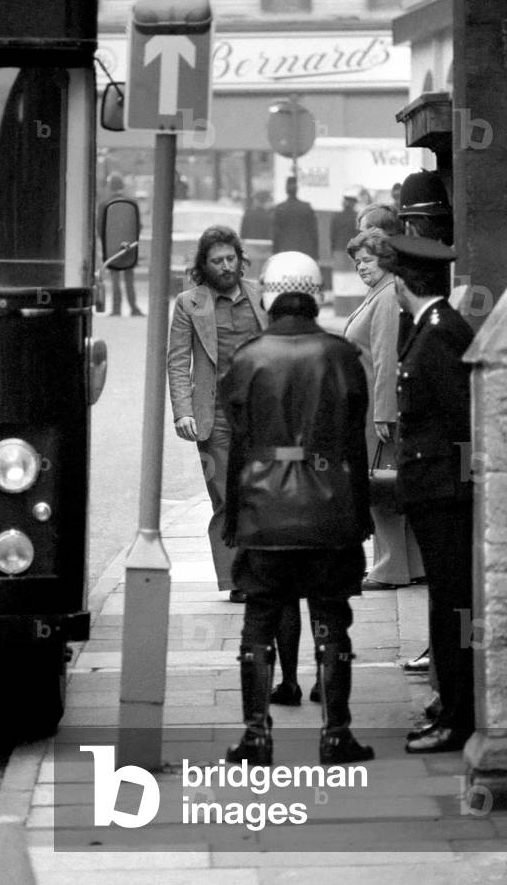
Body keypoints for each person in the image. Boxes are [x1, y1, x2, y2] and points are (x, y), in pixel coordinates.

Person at [220, 251, 374, 766]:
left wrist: (235, 516)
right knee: (332, 622)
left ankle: (256, 737)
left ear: (270, 293)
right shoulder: (341, 354)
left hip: (264, 512)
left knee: (258, 623)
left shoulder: (248, 356)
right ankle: (336, 735)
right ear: (314, 293)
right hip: (329, 510)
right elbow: (355, 445)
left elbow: (238, 446)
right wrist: (361, 513)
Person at [383, 235, 475, 754]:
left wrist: (458, 489)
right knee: (445, 605)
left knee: (451, 608)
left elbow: (462, 421)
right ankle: (451, 707)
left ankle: (457, 718)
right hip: (435, 493)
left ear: (401, 283)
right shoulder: (429, 328)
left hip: (445, 498)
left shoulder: (439, 333)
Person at [167, 227, 266, 600]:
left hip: (261, 414)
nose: (226, 267)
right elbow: (178, 361)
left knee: (261, 495)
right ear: (203, 265)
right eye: (217, 261)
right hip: (215, 418)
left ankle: (263, 571)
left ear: (240, 258)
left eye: (231, 259)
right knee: (226, 498)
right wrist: (182, 411)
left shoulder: (261, 295)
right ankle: (237, 581)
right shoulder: (189, 303)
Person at [345, 229, 425, 590]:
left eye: (367, 260)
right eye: (357, 262)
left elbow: (386, 358)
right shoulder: (379, 293)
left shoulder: (388, 296)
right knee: (389, 487)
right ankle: (411, 565)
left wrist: (384, 413)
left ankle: (390, 568)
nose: (361, 267)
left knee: (382, 489)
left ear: (384, 260)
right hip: (371, 408)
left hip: (376, 411)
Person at [98, 173, 143, 317]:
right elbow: (138, 225)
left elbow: (100, 226)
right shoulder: (132, 203)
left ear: (110, 187)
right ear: (122, 186)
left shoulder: (104, 204)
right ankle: (133, 308)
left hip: (111, 246)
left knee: (115, 278)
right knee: (129, 279)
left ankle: (116, 309)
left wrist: (106, 242)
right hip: (129, 245)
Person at [271, 176, 319, 260]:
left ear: (286, 190)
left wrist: (275, 253)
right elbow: (313, 233)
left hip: (284, 251)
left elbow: (275, 233)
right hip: (304, 252)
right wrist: (315, 254)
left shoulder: (280, 208)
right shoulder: (306, 208)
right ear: (297, 190)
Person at [330, 188, 359, 255]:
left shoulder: (336, 216)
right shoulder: (357, 217)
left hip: (338, 248)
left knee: (340, 265)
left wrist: (332, 248)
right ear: (353, 204)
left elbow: (333, 234)